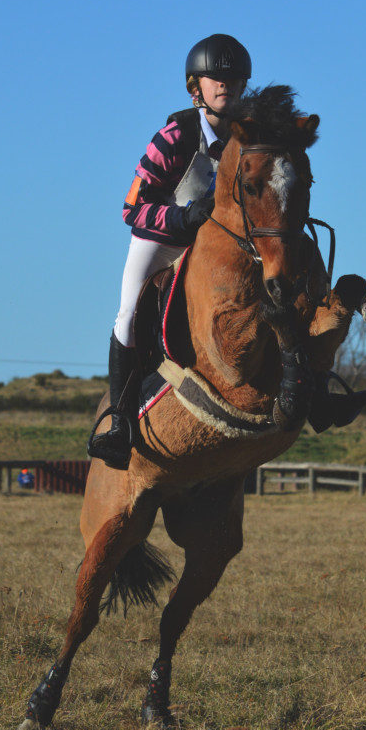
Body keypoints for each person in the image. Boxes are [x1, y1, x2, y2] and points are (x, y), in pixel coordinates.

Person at [88, 34, 252, 470]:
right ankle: (119, 423)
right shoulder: (177, 133)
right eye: (215, 78)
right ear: (195, 86)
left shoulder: (249, 134)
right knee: (128, 314)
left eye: (234, 78)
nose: (226, 85)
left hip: (218, 249)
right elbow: (132, 207)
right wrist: (182, 219)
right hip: (162, 242)